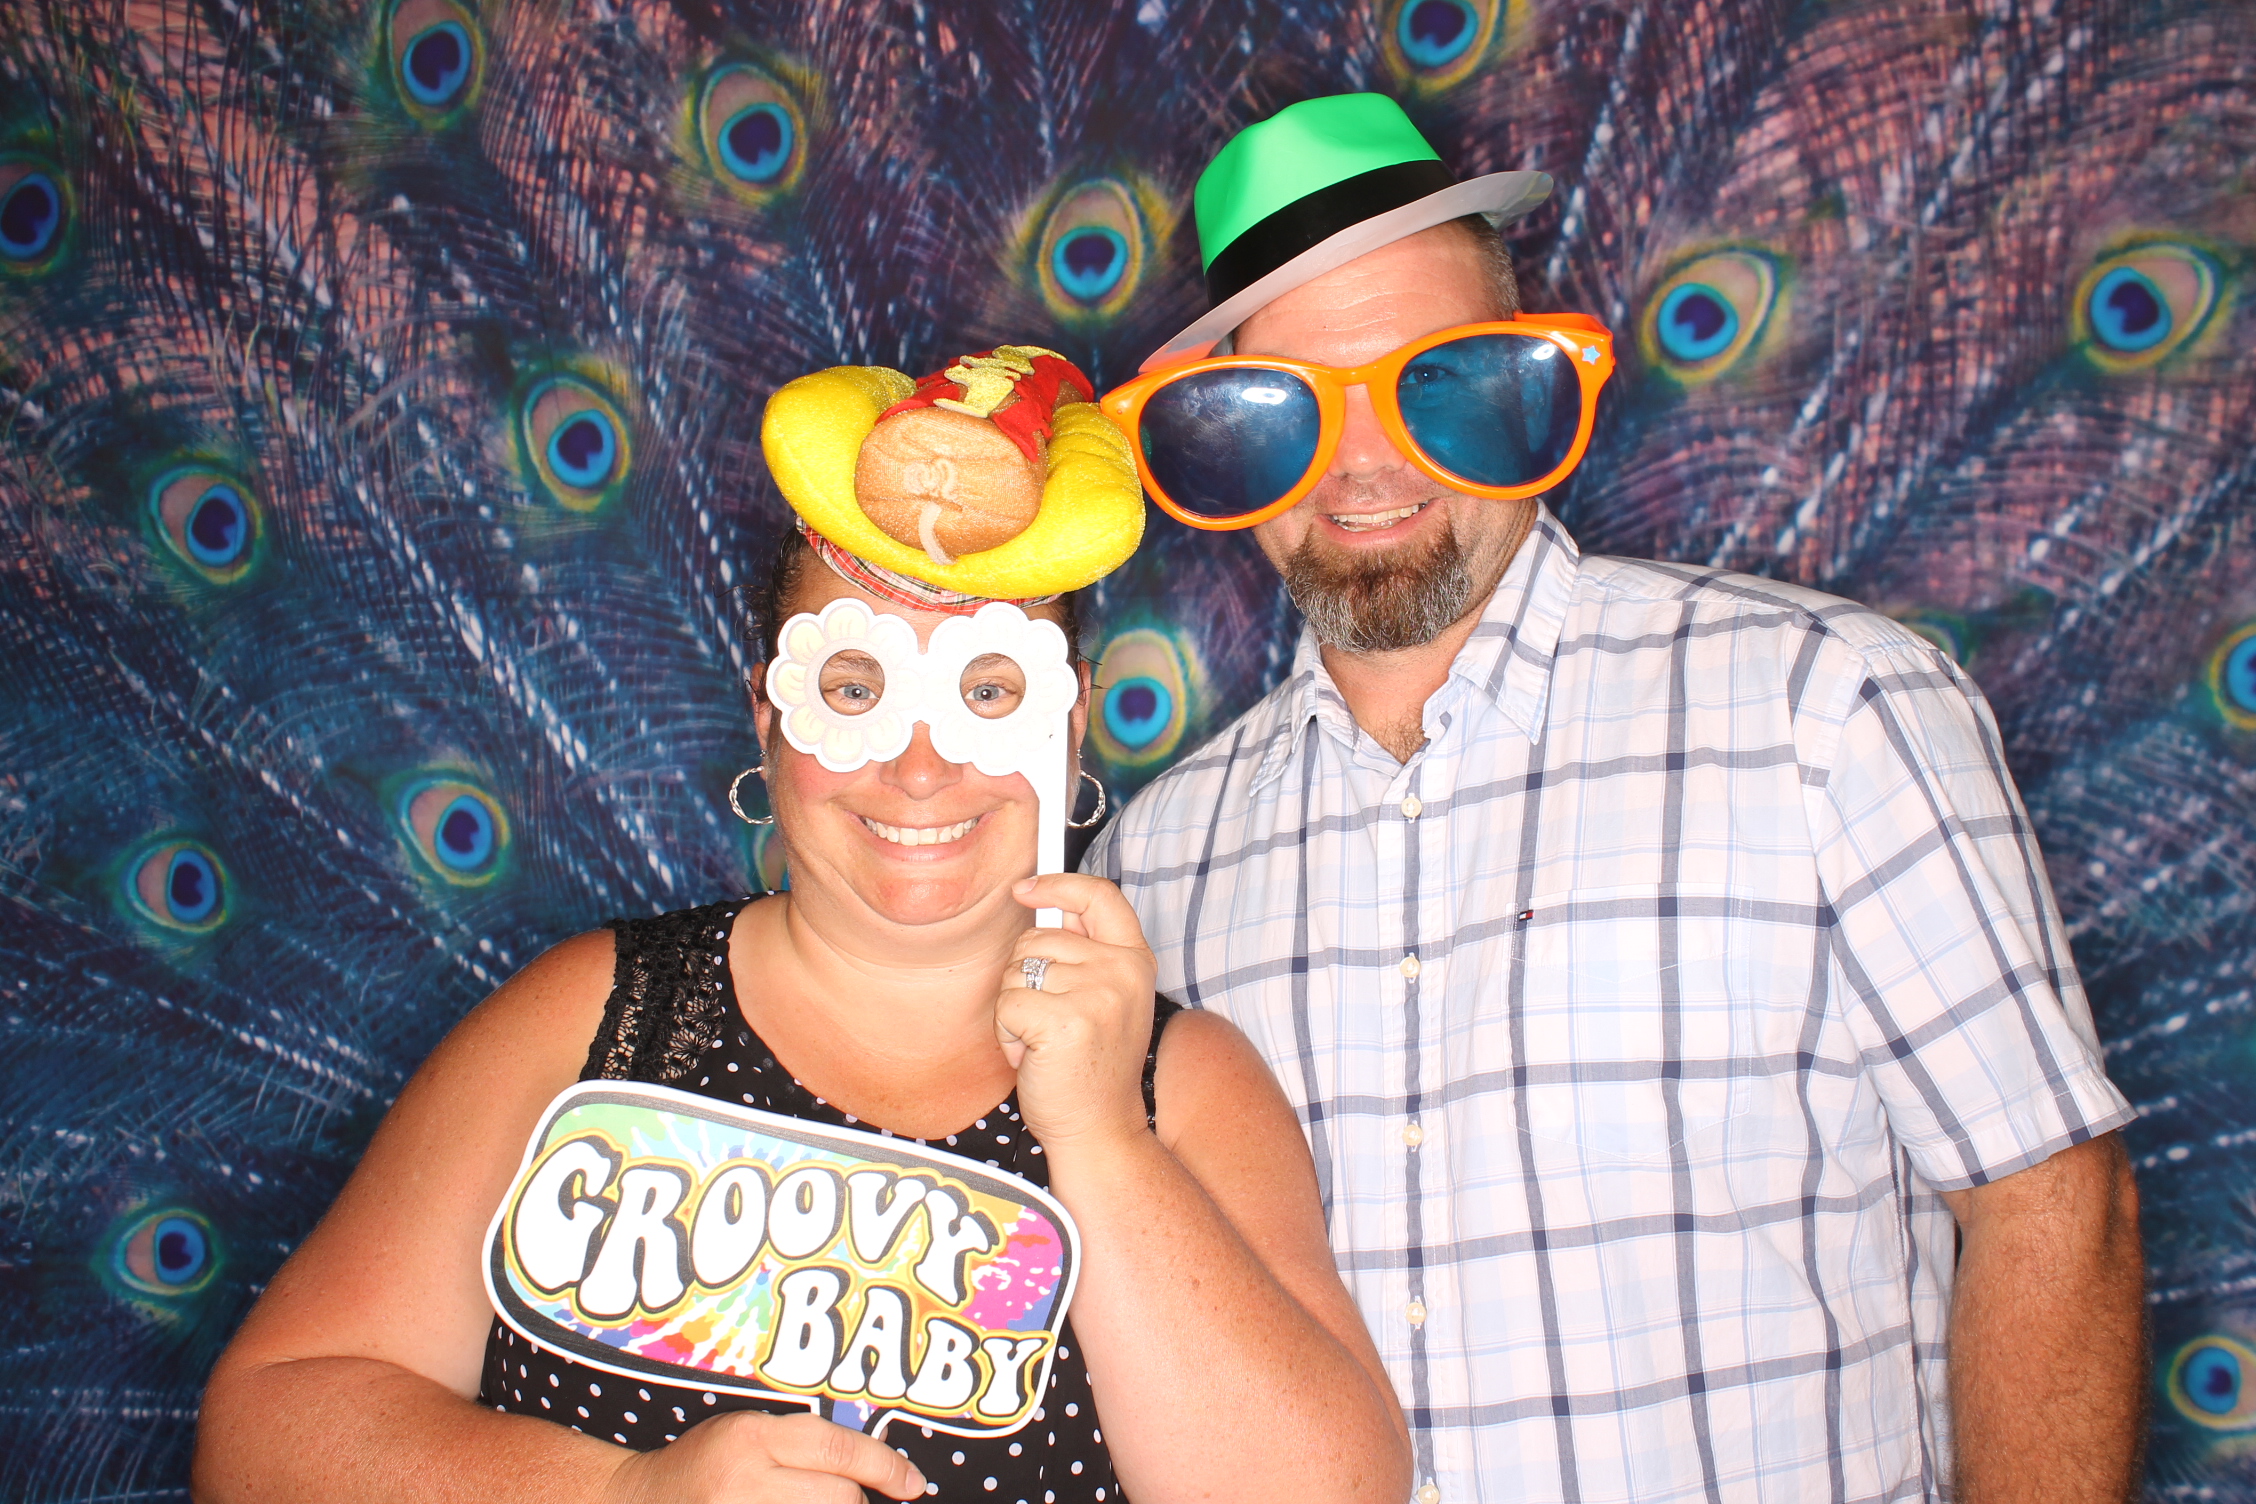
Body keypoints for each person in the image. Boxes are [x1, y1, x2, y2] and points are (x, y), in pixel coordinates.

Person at [1087, 94, 2145, 1504]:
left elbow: (2054, 1214)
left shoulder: (1826, 713)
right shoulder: (1161, 858)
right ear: (1217, 440)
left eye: (1440, 381)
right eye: (1283, 408)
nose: (1365, 462)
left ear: (1529, 381)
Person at [194, 345, 1410, 1504]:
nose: (922, 765)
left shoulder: (1181, 1092)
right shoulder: (585, 1023)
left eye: (987, 693)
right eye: (853, 689)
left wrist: (1097, 1133)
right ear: (768, 721)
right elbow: (265, 1431)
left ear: (1071, 724)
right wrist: (623, 1489)